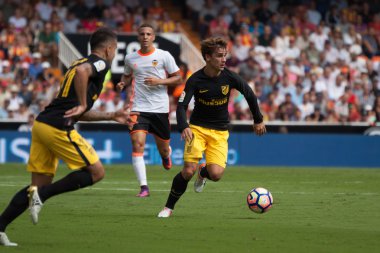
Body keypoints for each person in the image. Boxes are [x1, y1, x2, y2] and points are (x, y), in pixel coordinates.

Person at [0, 27, 135, 246]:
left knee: (37, 185)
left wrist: (111, 115)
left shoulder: (77, 63)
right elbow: (83, 80)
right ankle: (42, 197)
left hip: (43, 124)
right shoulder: (100, 64)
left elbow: (77, 110)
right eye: (116, 48)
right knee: (97, 172)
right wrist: (82, 103)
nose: (115, 53)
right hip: (57, 127)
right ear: (109, 48)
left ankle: (0, 226)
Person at [157, 37, 266, 218]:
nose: (224, 59)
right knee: (187, 171)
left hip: (220, 132)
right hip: (197, 129)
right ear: (208, 57)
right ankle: (168, 207)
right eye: (219, 56)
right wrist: (184, 126)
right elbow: (182, 106)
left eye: (225, 55)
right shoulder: (195, 79)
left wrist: (258, 119)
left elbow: (249, 94)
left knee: (215, 174)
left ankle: (203, 171)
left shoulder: (230, 77)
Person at [117, 23, 181, 197]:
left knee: (164, 149)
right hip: (138, 108)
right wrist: (123, 82)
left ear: (153, 37)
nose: (145, 36)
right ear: (138, 37)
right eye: (142, 34)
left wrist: (159, 82)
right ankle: (144, 187)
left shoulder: (164, 56)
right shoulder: (130, 58)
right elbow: (127, 74)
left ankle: (165, 156)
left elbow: (178, 78)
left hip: (160, 109)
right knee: (137, 144)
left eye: (148, 34)